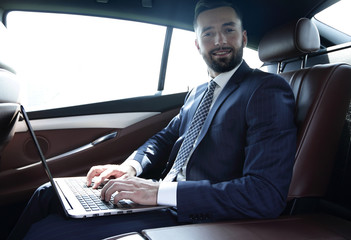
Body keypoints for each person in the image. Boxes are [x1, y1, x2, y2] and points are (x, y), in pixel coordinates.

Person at [9, 0, 296, 239]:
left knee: (45, 233)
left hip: (195, 214)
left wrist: (159, 191)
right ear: (197, 45)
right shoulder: (198, 93)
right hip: (158, 199)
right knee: (47, 193)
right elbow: (164, 139)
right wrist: (130, 167)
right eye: (208, 33)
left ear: (243, 38)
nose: (219, 40)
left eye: (228, 30)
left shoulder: (265, 90)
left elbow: (264, 194)